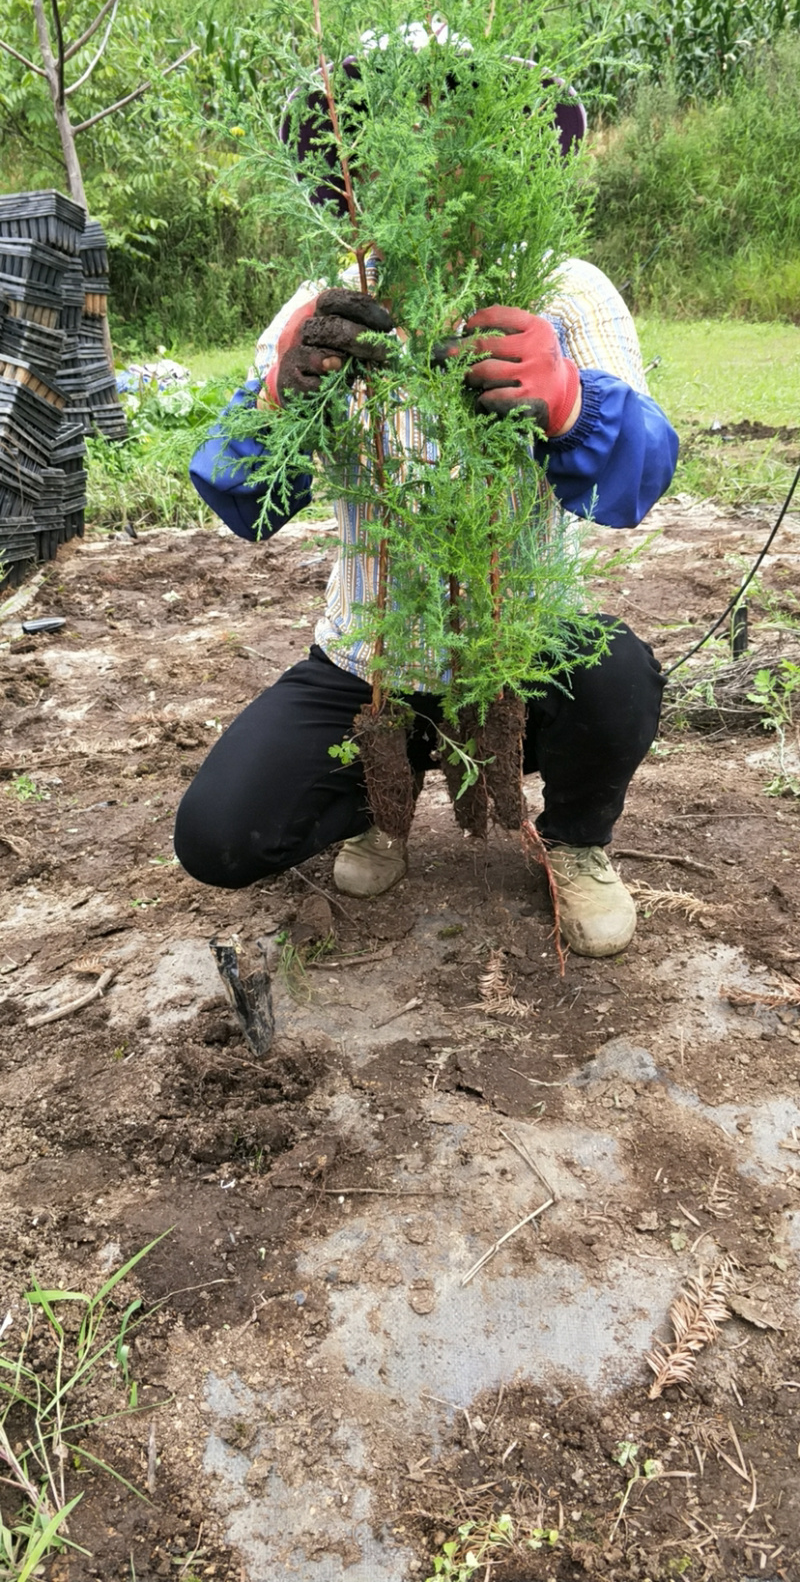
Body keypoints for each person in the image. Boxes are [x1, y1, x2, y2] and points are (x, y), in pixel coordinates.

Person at [175, 70, 679, 961]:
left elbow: (634, 486)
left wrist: (571, 402)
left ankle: (575, 841)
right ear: (352, 162)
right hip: (370, 654)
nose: (430, 154)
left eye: (460, 124)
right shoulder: (327, 304)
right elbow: (246, 502)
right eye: (395, 131)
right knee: (220, 835)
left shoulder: (564, 292)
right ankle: (386, 798)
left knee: (617, 675)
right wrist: (275, 396)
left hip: (523, 646)